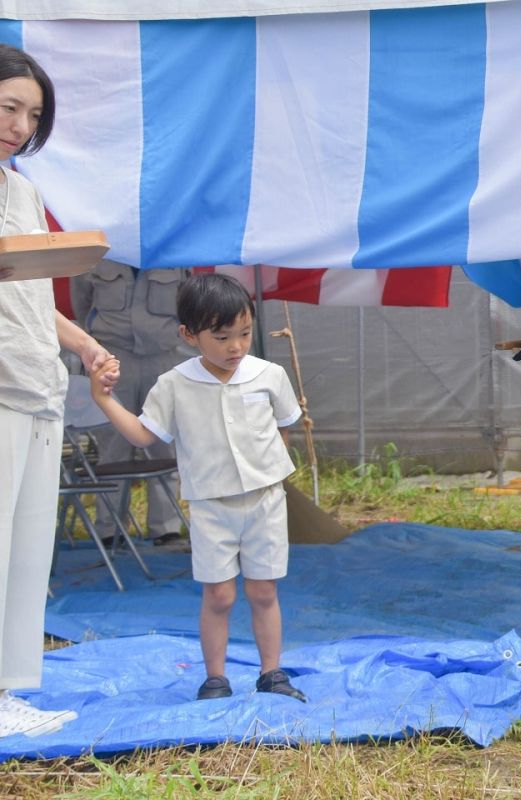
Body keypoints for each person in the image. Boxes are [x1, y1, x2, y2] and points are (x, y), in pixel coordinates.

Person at [89, 273, 307, 702]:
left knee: (264, 590)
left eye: (244, 333)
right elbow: (142, 435)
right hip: (210, 506)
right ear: (189, 335)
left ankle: (272, 673)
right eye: (222, 336)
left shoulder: (270, 374)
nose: (236, 347)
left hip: (265, 502)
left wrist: (270, 476)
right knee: (220, 594)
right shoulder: (174, 384)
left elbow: (284, 428)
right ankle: (215, 679)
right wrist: (104, 399)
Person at [0, 44, 118, 738]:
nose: (18, 124)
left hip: (35, 384)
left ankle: (9, 691)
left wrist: (84, 344)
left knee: (25, 547)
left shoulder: (23, 191)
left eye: (32, 114)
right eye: (9, 106)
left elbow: (32, 292)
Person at [70, 260, 189, 545]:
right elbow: (81, 303)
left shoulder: (175, 253)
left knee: (165, 440)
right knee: (113, 443)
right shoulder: (98, 255)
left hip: (163, 355)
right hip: (112, 353)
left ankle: (166, 529)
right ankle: (111, 530)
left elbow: (187, 302)